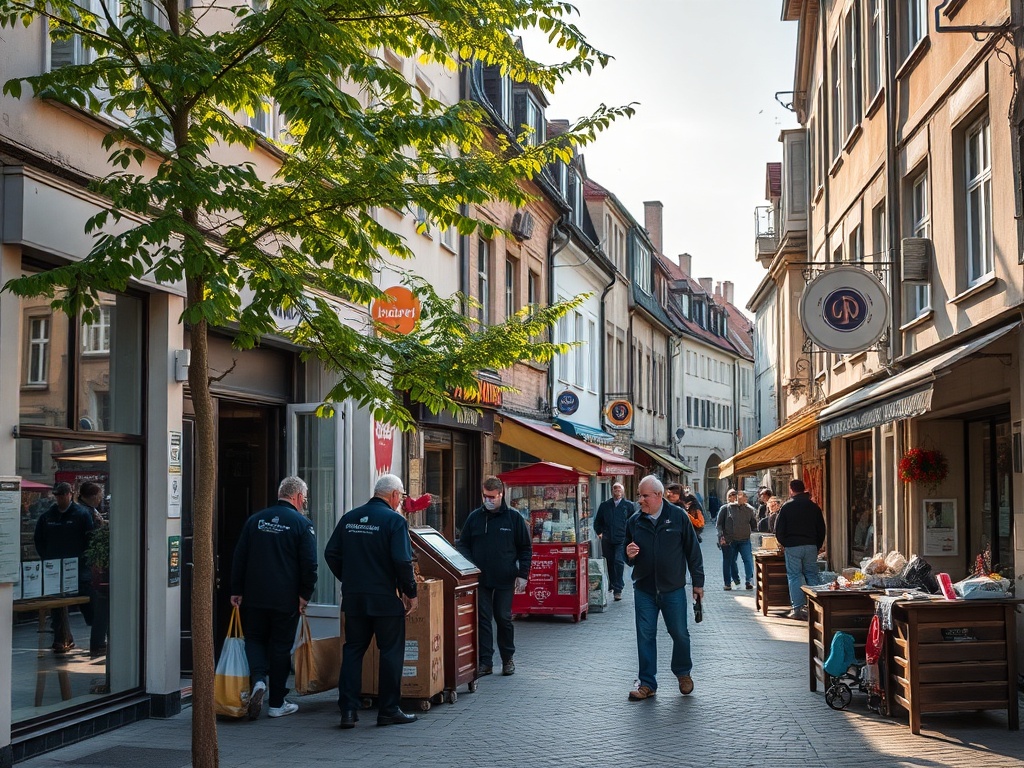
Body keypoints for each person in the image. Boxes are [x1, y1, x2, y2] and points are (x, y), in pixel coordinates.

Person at [325, 473, 419, 729]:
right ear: (395, 495)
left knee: (353, 650)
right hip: (385, 598)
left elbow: (331, 552)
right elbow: (402, 561)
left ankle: (347, 710)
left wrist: (350, 577)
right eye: (401, 497)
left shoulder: (350, 517)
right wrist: (410, 592)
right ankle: (388, 710)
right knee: (390, 652)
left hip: (355, 598)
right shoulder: (394, 521)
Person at [230, 476, 317, 720]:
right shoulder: (302, 524)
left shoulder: (255, 520)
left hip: (254, 596)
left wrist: (236, 590)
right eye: (305, 499)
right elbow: (310, 564)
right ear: (298, 497)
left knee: (255, 639)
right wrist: (304, 595)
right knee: (280, 647)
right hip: (285, 599)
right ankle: (277, 703)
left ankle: (259, 680)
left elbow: (240, 556)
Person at [624, 475, 704, 701]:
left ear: (658, 496)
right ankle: (647, 683)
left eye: (644, 495)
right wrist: (628, 556)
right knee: (645, 635)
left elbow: (693, 551)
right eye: (639, 495)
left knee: (679, 633)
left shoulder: (678, 516)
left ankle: (683, 672)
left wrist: (698, 583)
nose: (640, 500)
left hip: (673, 588)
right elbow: (626, 552)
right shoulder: (635, 521)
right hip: (644, 589)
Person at [458, 475, 532, 678]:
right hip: (480, 578)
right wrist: (469, 564)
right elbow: (463, 543)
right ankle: (485, 662)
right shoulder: (475, 517)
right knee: (483, 619)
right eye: (485, 496)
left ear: (501, 495)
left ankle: (508, 659)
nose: (488, 500)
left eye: (492, 497)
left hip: (505, 577)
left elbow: (525, 548)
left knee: (503, 617)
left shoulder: (514, 518)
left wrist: (523, 575)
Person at [34, 481, 94, 653]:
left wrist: (84, 559)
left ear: (70, 493)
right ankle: (61, 639)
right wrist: (47, 558)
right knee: (57, 603)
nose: (59, 498)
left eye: (62, 494)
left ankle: (98, 635)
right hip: (55, 566)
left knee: (87, 599)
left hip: (79, 565)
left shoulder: (81, 514)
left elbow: (89, 538)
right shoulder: (47, 516)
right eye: (57, 495)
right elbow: (39, 539)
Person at [775, 478, 827, 621]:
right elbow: (821, 529)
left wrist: (786, 543)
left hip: (793, 546)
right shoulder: (814, 507)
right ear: (804, 489)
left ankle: (797, 608)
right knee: (812, 575)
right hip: (810, 545)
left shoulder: (786, 507)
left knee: (794, 576)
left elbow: (778, 530)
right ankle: (818, 608)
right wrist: (816, 545)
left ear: (791, 490)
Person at [78, 482, 109, 657]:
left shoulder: (88, 510)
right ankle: (98, 642)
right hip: (93, 566)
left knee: (101, 604)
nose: (101, 498)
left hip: (91, 566)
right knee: (100, 605)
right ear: (93, 495)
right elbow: (92, 536)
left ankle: (100, 640)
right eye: (100, 494)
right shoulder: (85, 512)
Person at [593, 482, 631, 601]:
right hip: (607, 539)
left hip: (622, 539)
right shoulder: (605, 505)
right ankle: (612, 584)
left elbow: (633, 521)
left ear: (623, 492)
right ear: (611, 491)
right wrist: (600, 533)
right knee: (609, 563)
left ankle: (618, 589)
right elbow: (597, 521)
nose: (617, 491)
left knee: (618, 562)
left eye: (619, 489)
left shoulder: (628, 506)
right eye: (615, 489)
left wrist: (630, 537)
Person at [715, 489, 757, 590]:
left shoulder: (749, 510)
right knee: (730, 561)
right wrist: (721, 536)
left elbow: (754, 525)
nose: (735, 497)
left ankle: (749, 580)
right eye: (732, 495)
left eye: (737, 495)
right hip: (730, 540)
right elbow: (719, 524)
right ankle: (729, 582)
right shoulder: (726, 508)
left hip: (745, 539)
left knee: (747, 560)